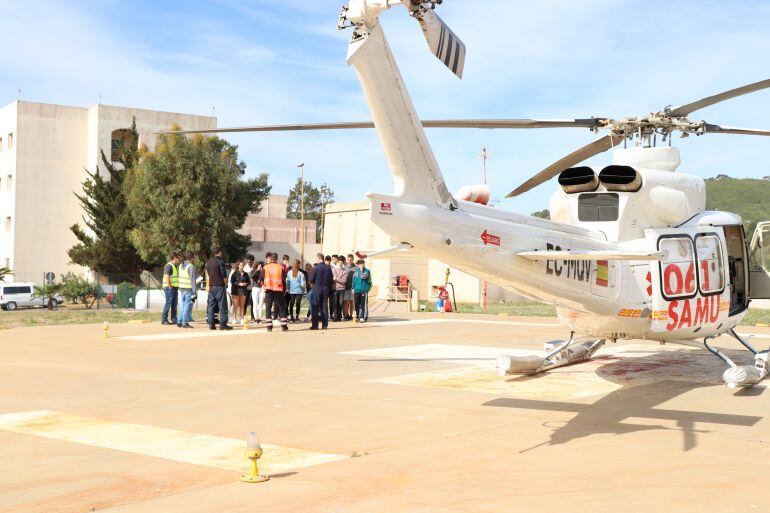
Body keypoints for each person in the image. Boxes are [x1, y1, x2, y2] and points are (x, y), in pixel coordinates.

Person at [206, 247, 232, 330]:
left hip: (211, 286)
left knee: (211, 305)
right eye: (221, 252)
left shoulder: (209, 262)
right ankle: (223, 324)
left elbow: (208, 275)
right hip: (219, 285)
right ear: (219, 252)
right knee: (222, 305)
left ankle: (211, 324)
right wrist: (226, 282)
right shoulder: (220, 261)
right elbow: (224, 274)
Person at [262, 253, 288, 332]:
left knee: (268, 308)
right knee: (281, 308)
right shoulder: (280, 267)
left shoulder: (265, 267)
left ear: (270, 259)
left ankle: (269, 327)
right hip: (278, 290)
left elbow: (260, 278)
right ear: (276, 259)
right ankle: (284, 326)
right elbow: (284, 280)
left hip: (268, 290)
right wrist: (284, 290)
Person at [309, 253, 333, 330]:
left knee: (315, 306)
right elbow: (331, 279)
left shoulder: (316, 268)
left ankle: (315, 325)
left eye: (316, 258)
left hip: (317, 288)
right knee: (324, 306)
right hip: (326, 288)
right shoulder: (328, 268)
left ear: (319, 258)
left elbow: (311, 279)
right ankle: (325, 324)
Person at [177, 251, 197, 329]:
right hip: (188, 289)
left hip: (181, 288)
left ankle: (180, 321)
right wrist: (194, 292)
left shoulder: (180, 265)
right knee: (187, 306)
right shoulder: (191, 266)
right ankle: (184, 323)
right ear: (192, 258)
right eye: (194, 258)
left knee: (183, 305)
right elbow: (193, 280)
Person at [161, 253, 181, 325]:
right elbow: (167, 276)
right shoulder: (169, 266)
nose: (179, 259)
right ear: (174, 258)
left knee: (174, 304)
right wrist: (170, 286)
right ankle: (164, 319)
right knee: (169, 303)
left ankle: (174, 319)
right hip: (169, 287)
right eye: (178, 258)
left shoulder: (176, 266)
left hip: (174, 287)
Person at [230, 260, 250, 325]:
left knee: (242, 306)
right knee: (235, 306)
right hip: (235, 291)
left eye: (243, 265)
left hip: (243, 291)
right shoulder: (235, 273)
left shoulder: (246, 274)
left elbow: (249, 282)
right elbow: (232, 281)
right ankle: (234, 319)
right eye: (241, 265)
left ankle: (242, 319)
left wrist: (245, 284)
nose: (242, 266)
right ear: (238, 265)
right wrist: (239, 284)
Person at [343, 253, 356, 321]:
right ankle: (346, 315)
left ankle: (351, 315)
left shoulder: (356, 268)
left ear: (353, 260)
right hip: (345, 287)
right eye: (348, 260)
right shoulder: (344, 267)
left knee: (351, 302)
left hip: (353, 288)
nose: (349, 261)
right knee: (345, 302)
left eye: (351, 260)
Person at [244, 254, 256, 321]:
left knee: (253, 303)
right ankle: (244, 315)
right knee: (245, 302)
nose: (249, 263)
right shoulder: (245, 268)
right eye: (248, 262)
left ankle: (253, 316)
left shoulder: (255, 267)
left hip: (253, 288)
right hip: (247, 288)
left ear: (253, 261)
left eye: (250, 262)